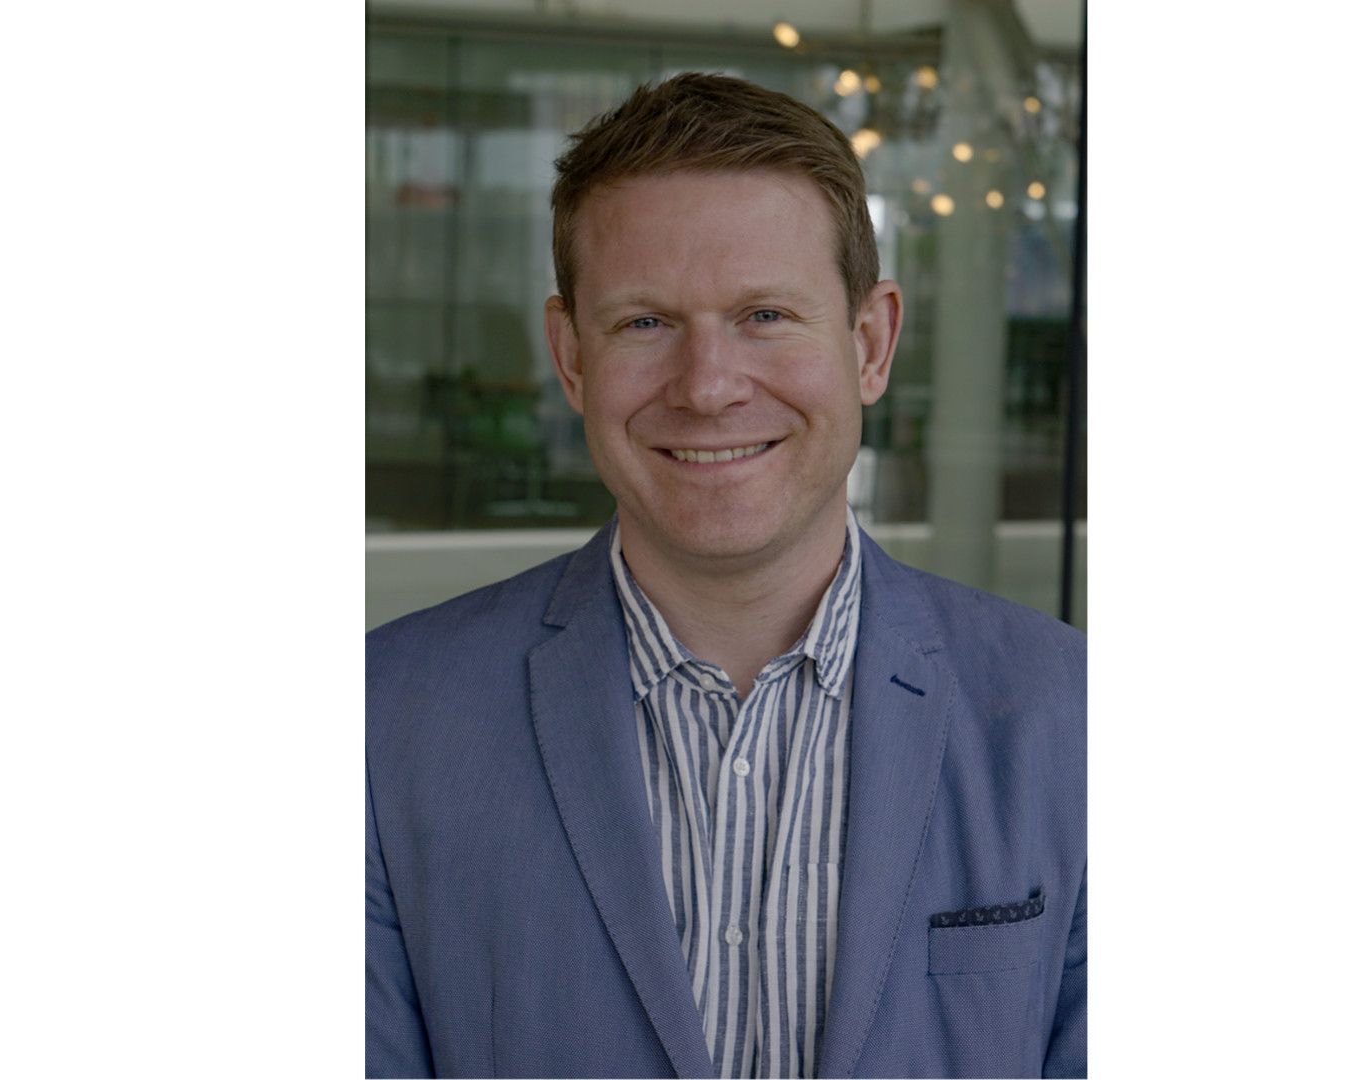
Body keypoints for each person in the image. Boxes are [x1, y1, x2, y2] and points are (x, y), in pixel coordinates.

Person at [367, 73, 1085, 1079]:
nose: (708, 387)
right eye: (645, 324)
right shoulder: (378, 725)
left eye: (765, 316)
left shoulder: (1074, 718)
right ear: (571, 358)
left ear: (871, 343)